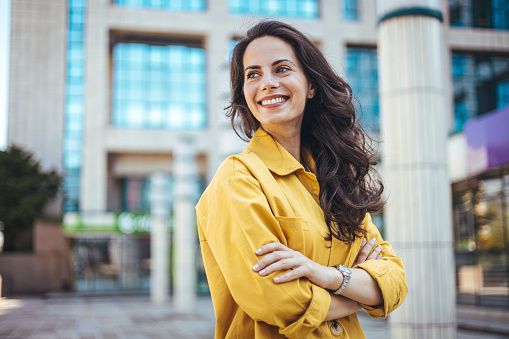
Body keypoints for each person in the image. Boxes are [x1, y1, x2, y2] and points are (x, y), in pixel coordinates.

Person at [196, 20, 407, 339]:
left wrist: (326, 276)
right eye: (253, 74)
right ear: (244, 93)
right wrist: (358, 293)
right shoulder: (238, 179)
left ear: (311, 85)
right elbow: (278, 300)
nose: (266, 83)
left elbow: (395, 281)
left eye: (281, 69)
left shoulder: (336, 180)